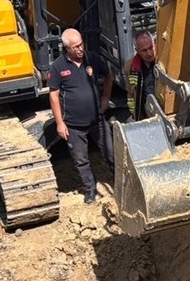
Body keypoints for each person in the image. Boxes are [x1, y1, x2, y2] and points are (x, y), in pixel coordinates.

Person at [49, 28, 113, 204]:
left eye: (81, 45)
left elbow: (108, 76)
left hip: (97, 120)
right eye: (75, 47)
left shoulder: (91, 58)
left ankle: (119, 181)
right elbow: (53, 95)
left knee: (111, 152)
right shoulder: (58, 67)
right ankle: (90, 189)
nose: (80, 49)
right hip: (74, 125)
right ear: (67, 48)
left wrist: (106, 98)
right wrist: (60, 123)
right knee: (81, 160)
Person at [124, 30, 157, 121]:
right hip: (146, 114)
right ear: (137, 50)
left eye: (151, 48)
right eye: (144, 50)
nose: (149, 53)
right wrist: (135, 114)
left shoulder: (163, 62)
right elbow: (131, 94)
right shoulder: (130, 67)